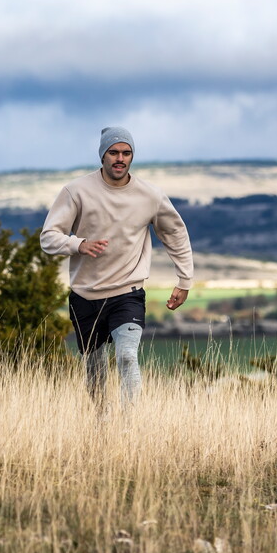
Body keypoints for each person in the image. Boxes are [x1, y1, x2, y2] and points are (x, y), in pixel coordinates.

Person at [40, 126, 194, 410]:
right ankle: (102, 422)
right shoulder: (76, 192)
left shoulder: (150, 196)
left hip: (128, 293)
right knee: (95, 370)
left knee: (126, 357)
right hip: (85, 295)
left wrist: (184, 280)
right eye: (113, 152)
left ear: (132, 156)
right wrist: (79, 244)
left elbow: (175, 234)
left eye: (126, 152)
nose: (120, 158)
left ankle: (129, 425)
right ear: (102, 156)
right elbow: (48, 238)